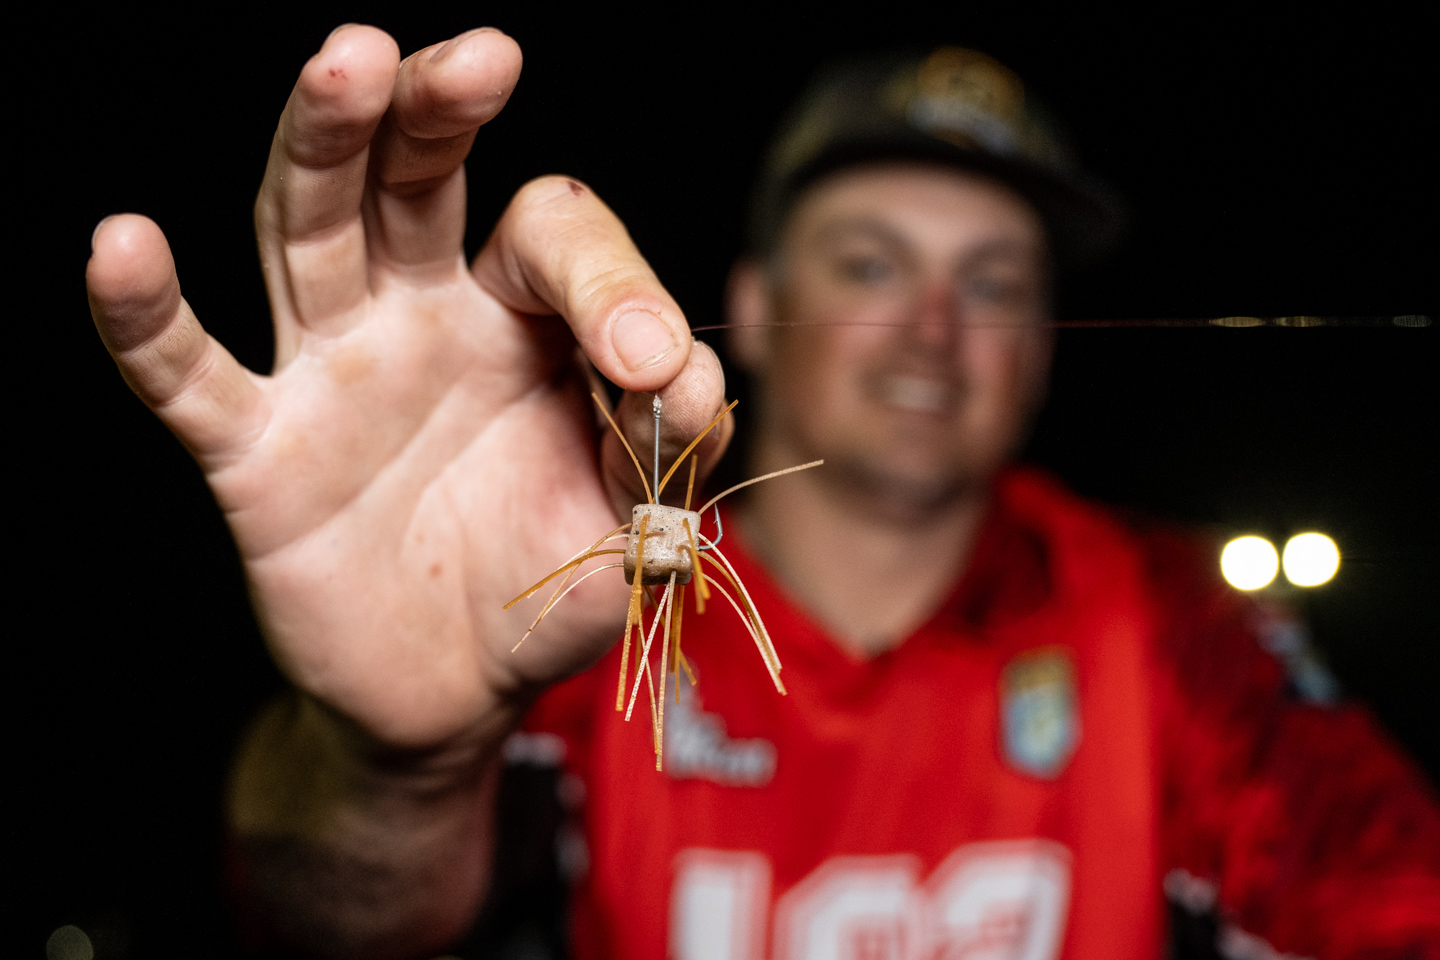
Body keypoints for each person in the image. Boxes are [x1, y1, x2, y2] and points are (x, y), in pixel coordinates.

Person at [83, 24, 1440, 960]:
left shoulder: (1177, 623)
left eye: (996, 284)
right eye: (867, 264)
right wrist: (399, 766)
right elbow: (316, 923)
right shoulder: (567, 605)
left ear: (1039, 347)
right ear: (751, 305)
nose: (932, 329)